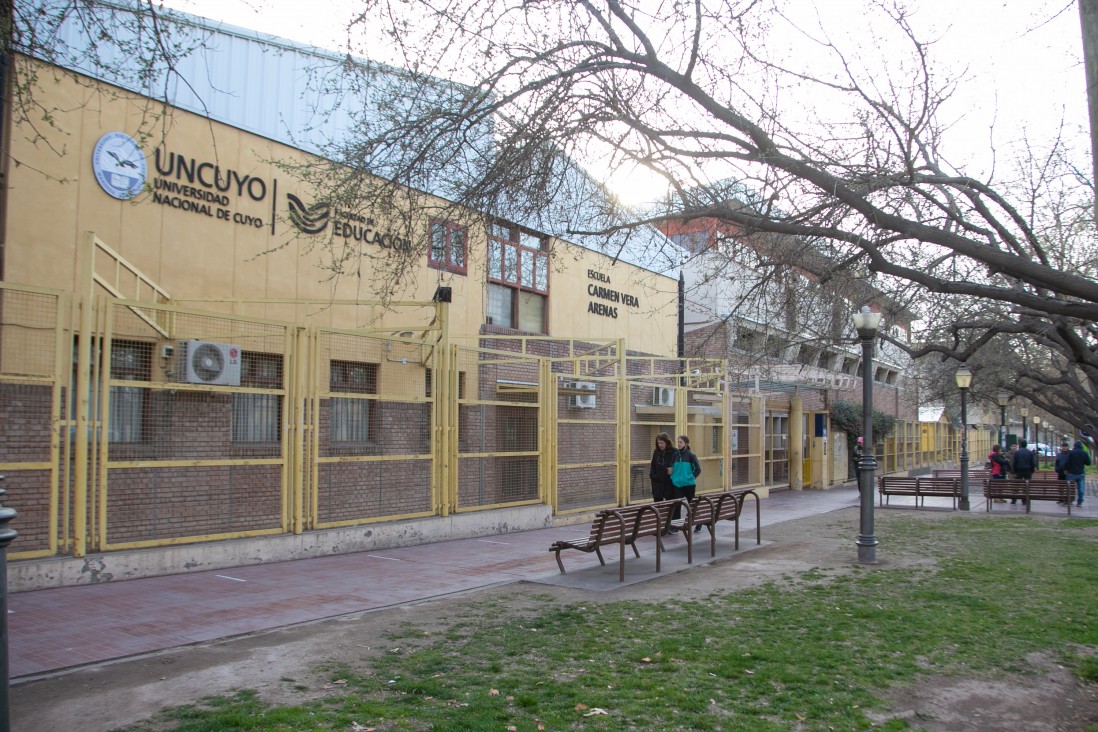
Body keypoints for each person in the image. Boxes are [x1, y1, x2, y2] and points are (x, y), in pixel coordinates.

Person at [672, 435, 703, 532]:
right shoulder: (675, 454)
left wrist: (690, 477)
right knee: (677, 505)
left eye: (680, 442)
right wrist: (673, 476)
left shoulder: (690, 455)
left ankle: (699, 522)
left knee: (692, 504)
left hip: (689, 485)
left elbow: (698, 469)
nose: (679, 444)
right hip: (678, 484)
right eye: (678, 442)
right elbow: (672, 467)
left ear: (686, 443)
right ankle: (676, 527)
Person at [649, 432, 677, 533]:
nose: (660, 445)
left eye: (662, 443)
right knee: (658, 503)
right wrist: (653, 476)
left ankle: (671, 525)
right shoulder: (656, 452)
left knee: (670, 503)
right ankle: (660, 524)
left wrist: (673, 469)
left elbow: (679, 465)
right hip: (657, 482)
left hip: (669, 482)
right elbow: (653, 465)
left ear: (667, 442)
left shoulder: (674, 452)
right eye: (658, 443)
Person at [1064, 440, 1092, 508]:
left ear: (1074, 446)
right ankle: (1079, 502)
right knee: (1081, 489)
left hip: (1071, 473)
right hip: (1080, 473)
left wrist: (1066, 469)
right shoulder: (1084, 453)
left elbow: (1067, 462)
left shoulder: (1071, 453)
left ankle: (1069, 501)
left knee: (1069, 488)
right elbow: (1088, 463)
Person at [1010, 439, 1037, 505]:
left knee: (1016, 486)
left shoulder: (1017, 452)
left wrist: (1015, 471)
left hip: (1019, 470)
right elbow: (1033, 463)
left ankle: (1014, 499)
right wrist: (1032, 471)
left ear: (1020, 445)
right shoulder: (1030, 453)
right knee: (1026, 486)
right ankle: (1025, 500)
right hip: (1028, 471)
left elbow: (1014, 463)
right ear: (1026, 445)